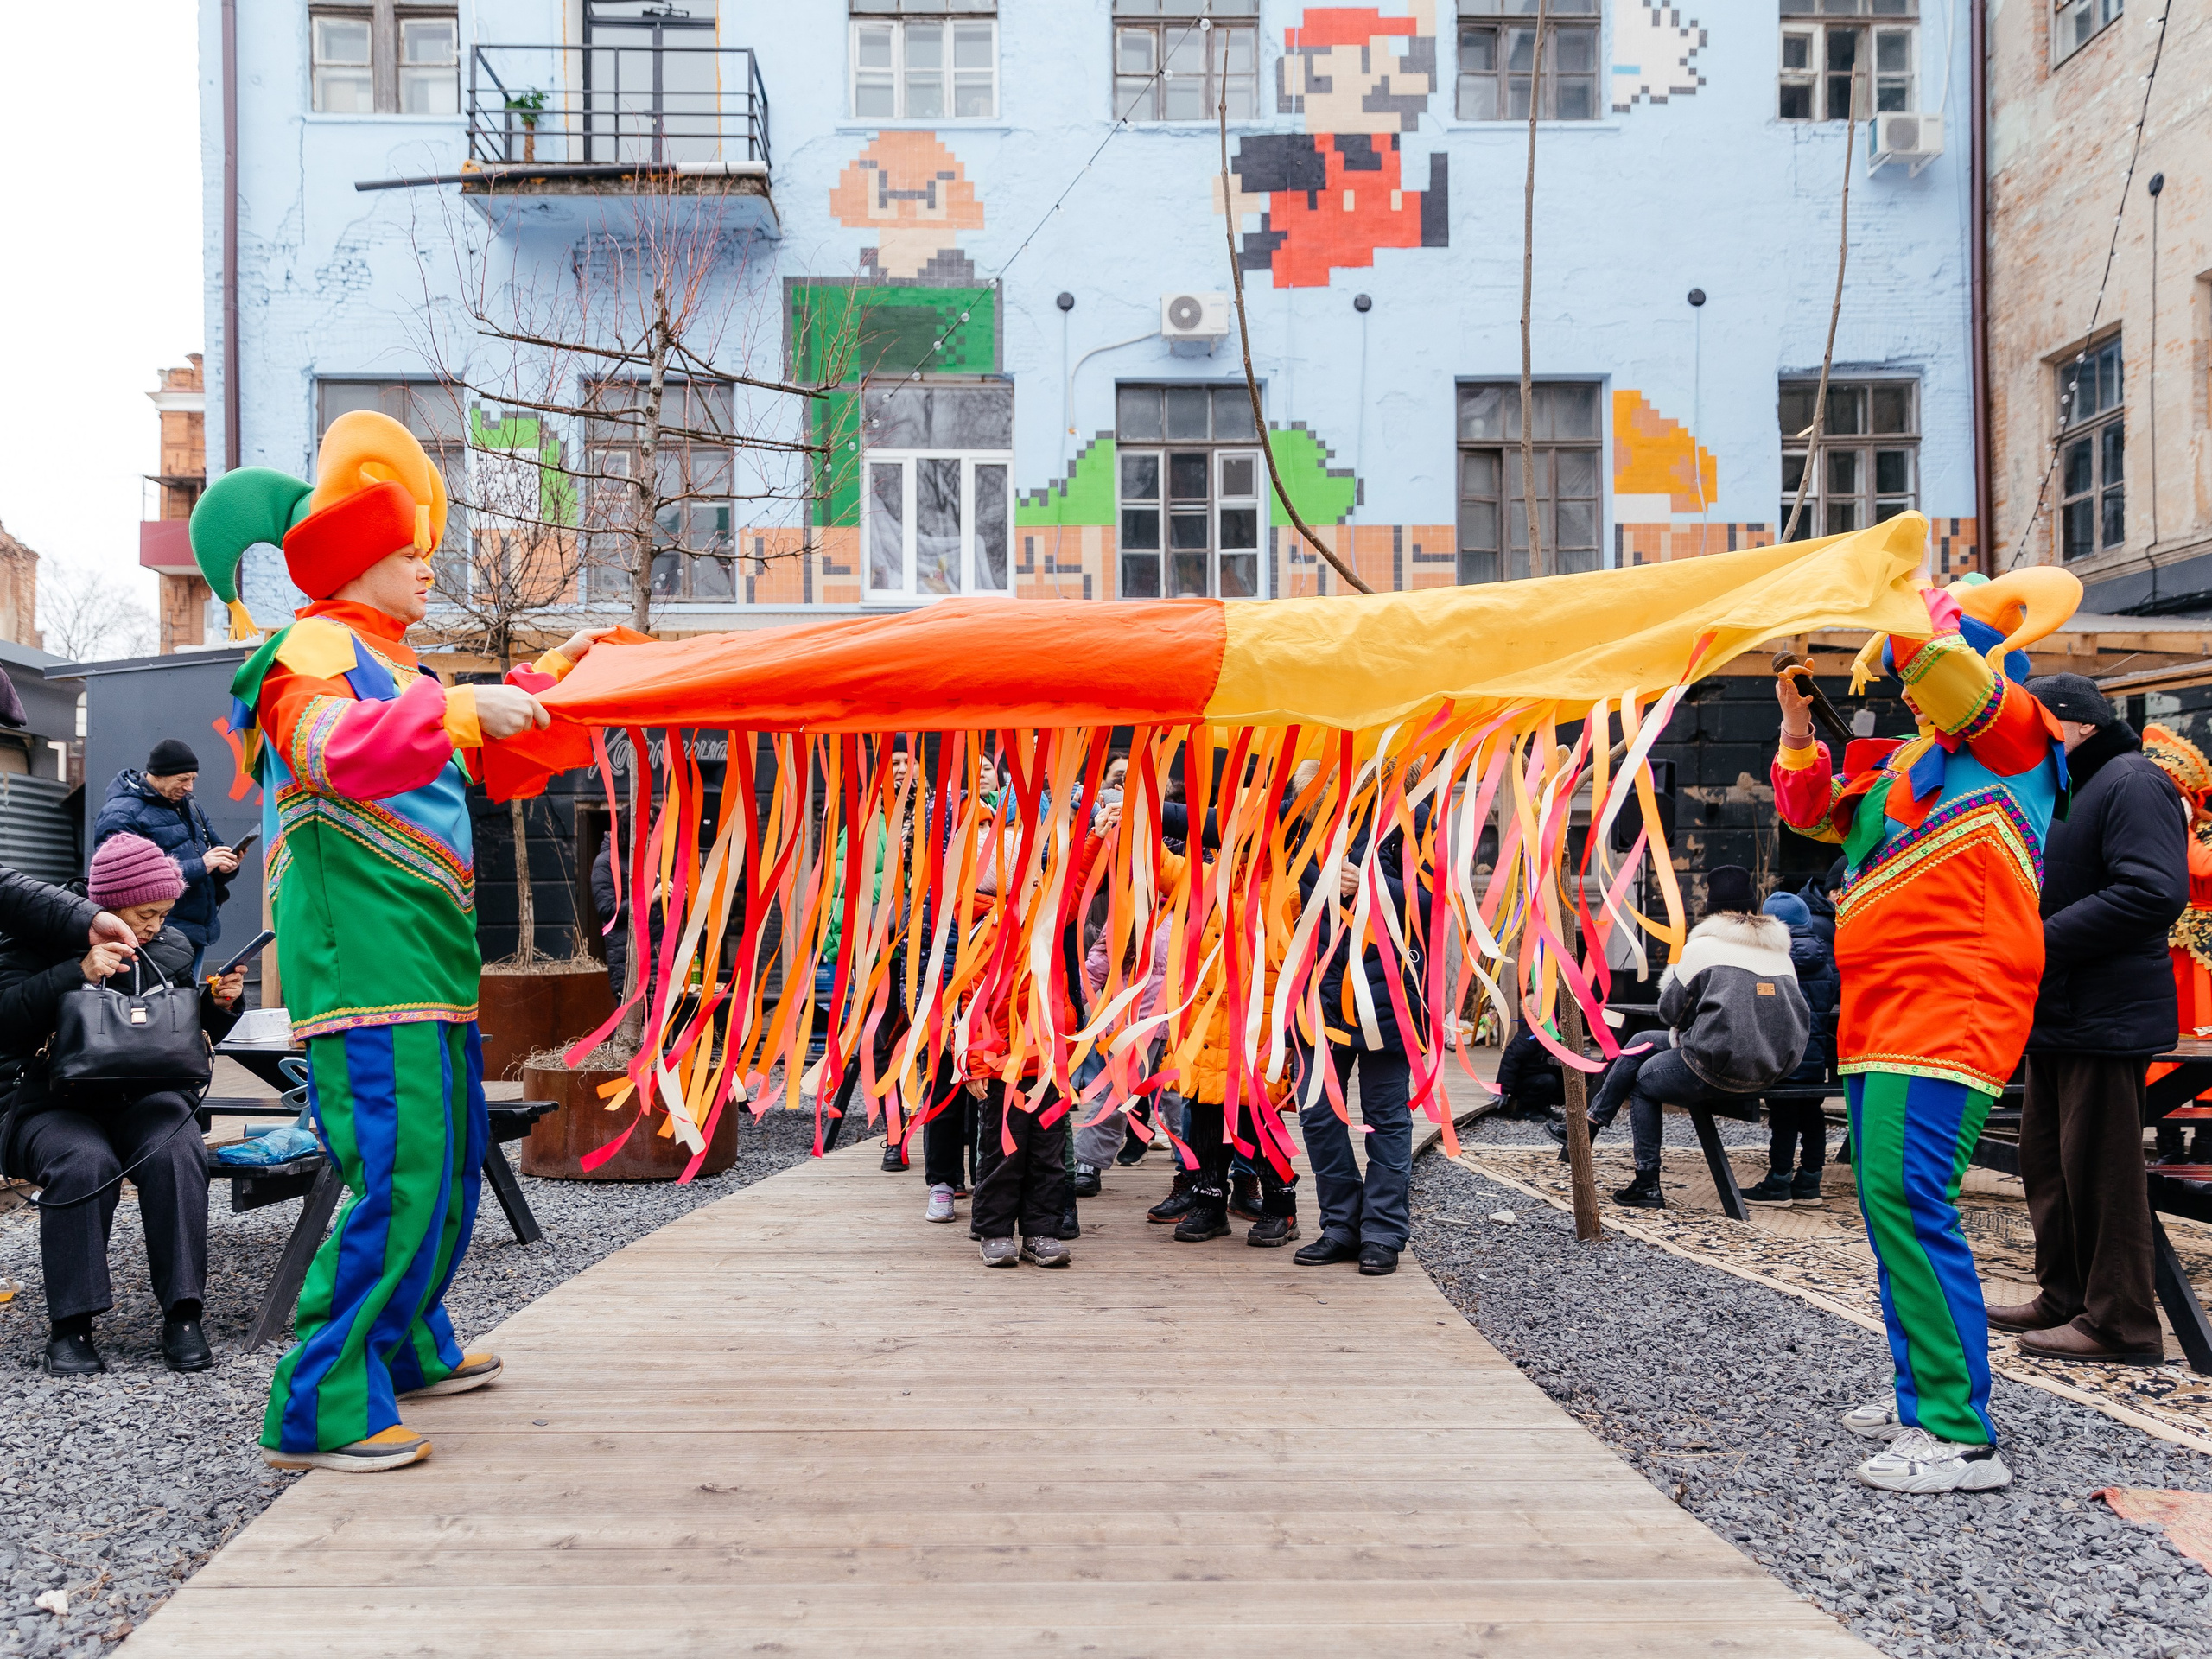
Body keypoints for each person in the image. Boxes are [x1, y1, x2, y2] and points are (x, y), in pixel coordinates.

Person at [189, 409, 614, 1474]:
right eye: (408, 551)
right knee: (404, 1173)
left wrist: (559, 687)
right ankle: (318, 1403)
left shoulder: (402, 664)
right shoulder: (309, 651)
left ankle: (406, 1344)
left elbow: (487, 764)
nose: (430, 566)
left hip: (424, 958)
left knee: (450, 1161)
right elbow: (338, 752)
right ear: (350, 557)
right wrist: (471, 709)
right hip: (368, 964)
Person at [1770, 568, 2078, 1495]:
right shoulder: (1911, 763)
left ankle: (1955, 1430)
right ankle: (1923, 1393)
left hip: (1951, 1000)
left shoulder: (2019, 736)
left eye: (1916, 668)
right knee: (1888, 1203)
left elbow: (1946, 671)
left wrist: (1896, 596)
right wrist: (1794, 726)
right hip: (1880, 1008)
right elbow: (1812, 814)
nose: (1904, 690)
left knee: (1909, 1197)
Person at [1989, 676, 2187, 1367]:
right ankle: (2065, 1295)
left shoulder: (2131, 781)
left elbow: (2153, 891)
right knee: (2048, 1165)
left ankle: (2122, 1324)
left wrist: (2035, 942)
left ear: (2076, 726)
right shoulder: (2072, 786)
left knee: (2101, 1173)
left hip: (2106, 1013)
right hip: (2061, 1010)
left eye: (2035, 726)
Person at [0, 835, 244, 1376]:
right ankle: (72, 1325)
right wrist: (76, 973)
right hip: (44, 1101)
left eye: (164, 912)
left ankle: (184, 1313)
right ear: (106, 907)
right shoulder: (34, 939)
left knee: (176, 1150)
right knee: (84, 1162)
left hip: (142, 1095)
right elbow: (6, 1017)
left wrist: (219, 1007)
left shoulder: (171, 950)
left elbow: (177, 1041)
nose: (157, 925)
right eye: (146, 913)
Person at [1567, 865, 1810, 1211]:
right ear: (1752, 906)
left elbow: (1670, 1012)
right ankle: (1590, 1124)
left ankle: (1646, 1183)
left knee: (1642, 1082)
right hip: (1771, 1067)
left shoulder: (1704, 948)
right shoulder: (1779, 952)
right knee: (1641, 1043)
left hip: (1717, 1067)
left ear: (1710, 907)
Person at [1289, 769, 1428, 1277]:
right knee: (1319, 1116)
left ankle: (1383, 1232)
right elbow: (1230, 825)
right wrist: (1134, 807)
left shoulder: (1410, 819)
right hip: (1317, 1003)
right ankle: (1341, 1226)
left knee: (1386, 1119)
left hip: (1387, 1002)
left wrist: (1369, 883)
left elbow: (1435, 901)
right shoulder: (1304, 818)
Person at [91, 740, 241, 976]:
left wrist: (227, 866)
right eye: (183, 779)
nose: (190, 787)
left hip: (194, 929)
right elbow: (121, 880)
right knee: (162, 1003)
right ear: (158, 775)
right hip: (154, 933)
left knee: (183, 1001)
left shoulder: (191, 807)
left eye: (193, 779)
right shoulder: (120, 813)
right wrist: (202, 865)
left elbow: (214, 847)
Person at [1739, 888, 1840, 1208]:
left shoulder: (1770, 959)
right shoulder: (1824, 956)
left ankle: (1779, 1182)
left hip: (1782, 1053)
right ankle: (1810, 1181)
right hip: (1815, 1055)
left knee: (1783, 1118)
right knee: (1813, 1114)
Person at [2140, 724, 2212, 1165]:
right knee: (2164, 1042)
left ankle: (2204, 1142)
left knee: (2201, 1040)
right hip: (2165, 951)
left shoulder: (2196, 834)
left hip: (2202, 958)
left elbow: (2200, 866)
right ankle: (2166, 1139)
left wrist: (2178, 823)